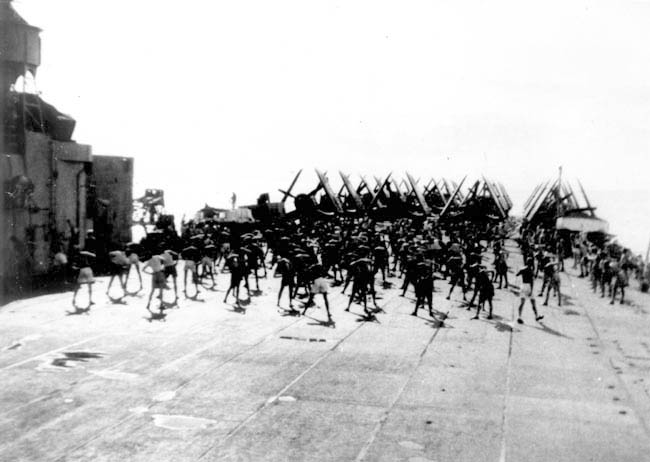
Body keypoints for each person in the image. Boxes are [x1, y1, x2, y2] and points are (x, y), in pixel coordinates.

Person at [516, 258, 543, 324]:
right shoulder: (531, 271)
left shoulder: (523, 269)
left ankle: (519, 317)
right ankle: (536, 316)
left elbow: (517, 274)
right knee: (533, 302)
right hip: (528, 287)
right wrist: (531, 291)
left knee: (522, 303)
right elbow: (532, 282)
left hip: (523, 286)